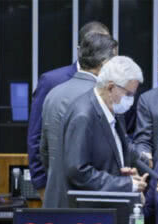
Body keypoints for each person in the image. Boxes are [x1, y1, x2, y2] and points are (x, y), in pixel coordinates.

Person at [27, 21, 110, 201]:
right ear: (81, 49)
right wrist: (42, 185)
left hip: (101, 189)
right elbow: (37, 137)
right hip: (56, 188)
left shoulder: (113, 85)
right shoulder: (52, 81)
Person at [62, 56, 148, 207]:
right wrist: (126, 185)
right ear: (110, 87)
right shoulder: (83, 116)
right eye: (128, 94)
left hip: (111, 210)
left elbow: (114, 154)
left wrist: (125, 173)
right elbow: (78, 172)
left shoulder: (114, 110)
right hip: (89, 216)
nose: (131, 100)